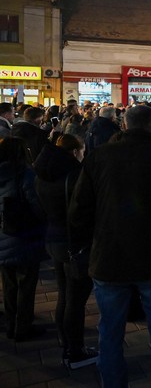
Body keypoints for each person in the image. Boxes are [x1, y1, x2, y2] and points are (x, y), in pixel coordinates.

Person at [68, 105, 151, 387]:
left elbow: (78, 211)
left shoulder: (98, 157)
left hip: (109, 257)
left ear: (123, 124)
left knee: (109, 333)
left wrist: (88, 243)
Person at [33, 134, 97, 367]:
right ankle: (76, 351)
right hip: (74, 243)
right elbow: (83, 212)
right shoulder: (73, 175)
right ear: (74, 152)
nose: (84, 155)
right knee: (75, 299)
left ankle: (66, 341)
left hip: (53, 238)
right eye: (82, 151)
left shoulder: (43, 173)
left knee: (64, 293)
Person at [0, 136, 47, 341]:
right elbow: (37, 206)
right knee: (26, 284)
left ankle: (11, 323)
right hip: (24, 235)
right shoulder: (26, 174)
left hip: (3, 235)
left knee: (8, 283)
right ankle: (23, 326)